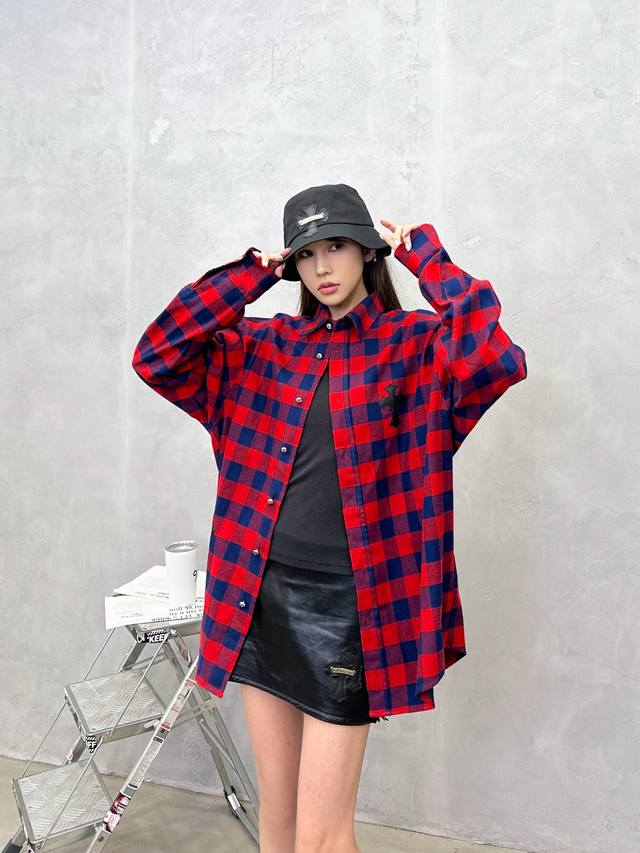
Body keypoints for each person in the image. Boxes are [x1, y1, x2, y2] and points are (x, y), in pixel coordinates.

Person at [131, 183, 527, 853]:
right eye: (306, 254)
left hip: (351, 610)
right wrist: (249, 276)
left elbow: (496, 359)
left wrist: (425, 257)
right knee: (279, 824)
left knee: (321, 837)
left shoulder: (416, 345)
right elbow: (157, 354)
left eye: (336, 246)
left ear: (368, 252)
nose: (322, 267)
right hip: (259, 595)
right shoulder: (263, 348)